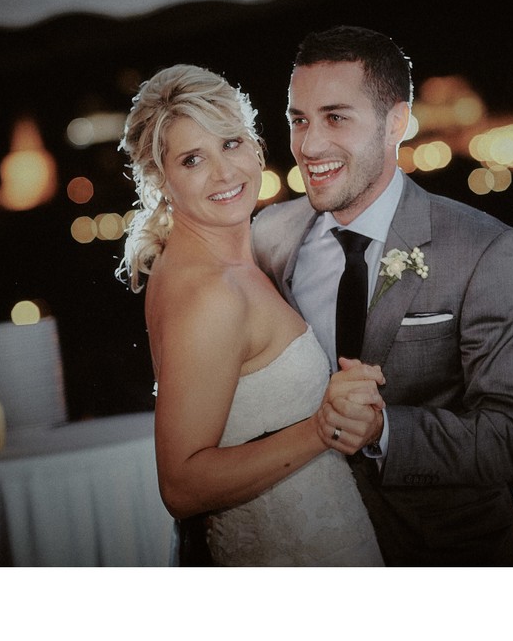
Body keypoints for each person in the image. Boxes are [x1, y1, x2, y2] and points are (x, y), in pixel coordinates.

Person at [252, 26, 513, 566]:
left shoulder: (486, 250)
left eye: (335, 117)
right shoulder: (269, 239)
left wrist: (386, 431)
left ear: (395, 122)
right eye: (299, 120)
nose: (309, 145)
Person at [117, 63, 385, 566]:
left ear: (255, 143)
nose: (224, 173)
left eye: (231, 143)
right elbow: (181, 485)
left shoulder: (226, 259)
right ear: (160, 179)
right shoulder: (210, 293)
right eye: (193, 159)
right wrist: (321, 427)